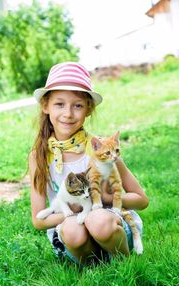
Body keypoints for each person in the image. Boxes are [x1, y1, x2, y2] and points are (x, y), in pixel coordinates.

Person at [29, 61, 149, 264]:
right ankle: (94, 267)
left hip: (110, 225)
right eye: (59, 104)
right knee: (73, 229)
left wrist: (104, 198)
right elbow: (39, 221)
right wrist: (74, 209)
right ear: (45, 106)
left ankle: (125, 263)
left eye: (77, 105)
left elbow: (141, 200)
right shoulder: (38, 156)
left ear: (88, 109)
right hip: (72, 232)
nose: (68, 113)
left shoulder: (102, 149)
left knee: (98, 220)